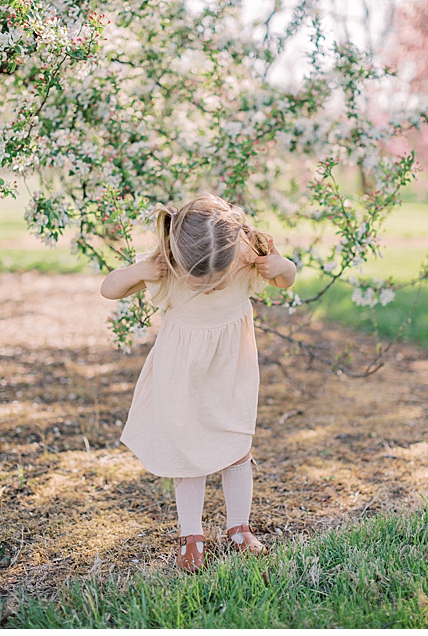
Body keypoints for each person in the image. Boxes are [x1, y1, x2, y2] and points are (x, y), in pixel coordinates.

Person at [100, 194, 297, 573]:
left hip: (230, 372)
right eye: (199, 280)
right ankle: (192, 535)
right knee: (187, 454)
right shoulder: (167, 266)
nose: (206, 286)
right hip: (181, 376)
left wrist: (281, 264)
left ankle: (238, 527)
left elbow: (286, 281)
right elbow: (109, 289)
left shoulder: (243, 258)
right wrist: (141, 271)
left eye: (213, 280)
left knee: (237, 444)